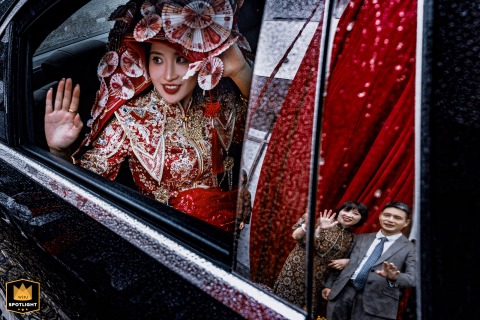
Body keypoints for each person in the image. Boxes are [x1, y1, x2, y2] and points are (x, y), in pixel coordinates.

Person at [44, 0, 253, 233]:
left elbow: (268, 130)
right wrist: (59, 152)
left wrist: (241, 71)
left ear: (200, 58)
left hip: (236, 220)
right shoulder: (131, 118)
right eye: (157, 59)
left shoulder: (218, 97)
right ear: (145, 61)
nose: (168, 75)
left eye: (181, 58)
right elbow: (84, 188)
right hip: (177, 237)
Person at [273, 201, 368, 318]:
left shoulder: (352, 239)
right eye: (346, 210)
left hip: (319, 279)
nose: (349, 215)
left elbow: (343, 263)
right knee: (282, 304)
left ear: (361, 219)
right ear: (340, 211)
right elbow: (297, 237)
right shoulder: (319, 220)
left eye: (355, 213)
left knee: (301, 312)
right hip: (297, 269)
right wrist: (318, 229)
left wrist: (347, 262)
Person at [321, 201, 415, 320]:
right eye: (387, 215)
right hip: (342, 294)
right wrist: (329, 285)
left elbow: (413, 279)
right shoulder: (360, 238)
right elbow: (339, 264)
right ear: (380, 215)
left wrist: (394, 277)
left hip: (377, 304)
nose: (390, 220)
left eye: (397, 218)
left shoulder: (410, 248)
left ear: (406, 222)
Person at [232, 169, 252, 270]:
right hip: (231, 217)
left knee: (234, 243)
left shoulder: (246, 193)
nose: (240, 178)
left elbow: (248, 208)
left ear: (244, 179)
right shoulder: (235, 188)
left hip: (239, 219)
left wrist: (243, 221)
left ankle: (233, 265)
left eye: (242, 176)